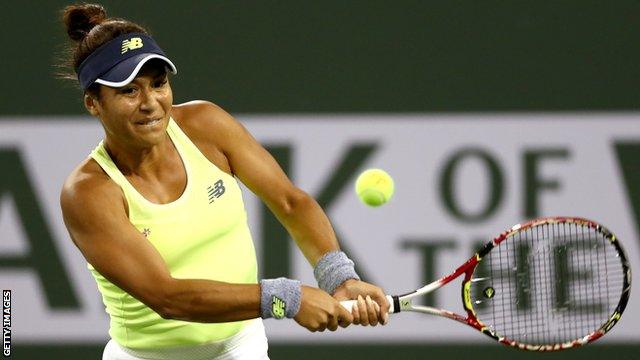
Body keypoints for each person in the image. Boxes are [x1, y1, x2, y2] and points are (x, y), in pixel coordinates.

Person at [58, 3, 389, 360]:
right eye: (129, 91)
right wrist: (285, 297)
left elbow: (290, 202)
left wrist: (338, 276)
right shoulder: (88, 193)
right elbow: (168, 297)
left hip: (239, 347)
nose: (151, 103)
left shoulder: (206, 124)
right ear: (94, 103)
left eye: (159, 84)